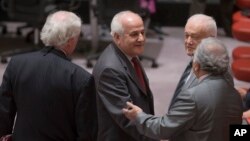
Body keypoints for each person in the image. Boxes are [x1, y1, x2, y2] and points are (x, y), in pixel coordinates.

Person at [0, 11, 97, 141]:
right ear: (71, 41)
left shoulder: (16, 64)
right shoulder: (81, 78)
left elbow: (4, 113)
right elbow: (87, 133)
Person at [123, 37, 243, 141]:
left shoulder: (192, 97)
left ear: (196, 66)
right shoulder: (235, 95)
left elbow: (163, 129)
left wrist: (138, 115)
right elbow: (235, 132)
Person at [92, 10, 157, 141]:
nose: (141, 38)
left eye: (143, 33)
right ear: (117, 37)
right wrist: (156, 136)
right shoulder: (110, 70)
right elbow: (127, 118)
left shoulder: (129, 54)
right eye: (134, 34)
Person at [169, 13, 234, 110]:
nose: (188, 41)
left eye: (194, 37)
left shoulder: (215, 71)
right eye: (186, 35)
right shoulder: (198, 58)